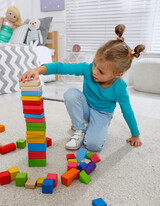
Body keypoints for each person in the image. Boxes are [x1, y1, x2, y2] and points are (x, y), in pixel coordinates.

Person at [19, 24, 145, 152]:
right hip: (85, 107)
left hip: (102, 113)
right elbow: (61, 67)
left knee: (93, 145)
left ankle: (89, 124)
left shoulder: (120, 88)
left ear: (118, 75)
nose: (94, 71)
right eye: (95, 64)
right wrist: (38, 70)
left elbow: (127, 111)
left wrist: (135, 135)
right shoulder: (88, 68)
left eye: (101, 71)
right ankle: (80, 128)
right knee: (71, 94)